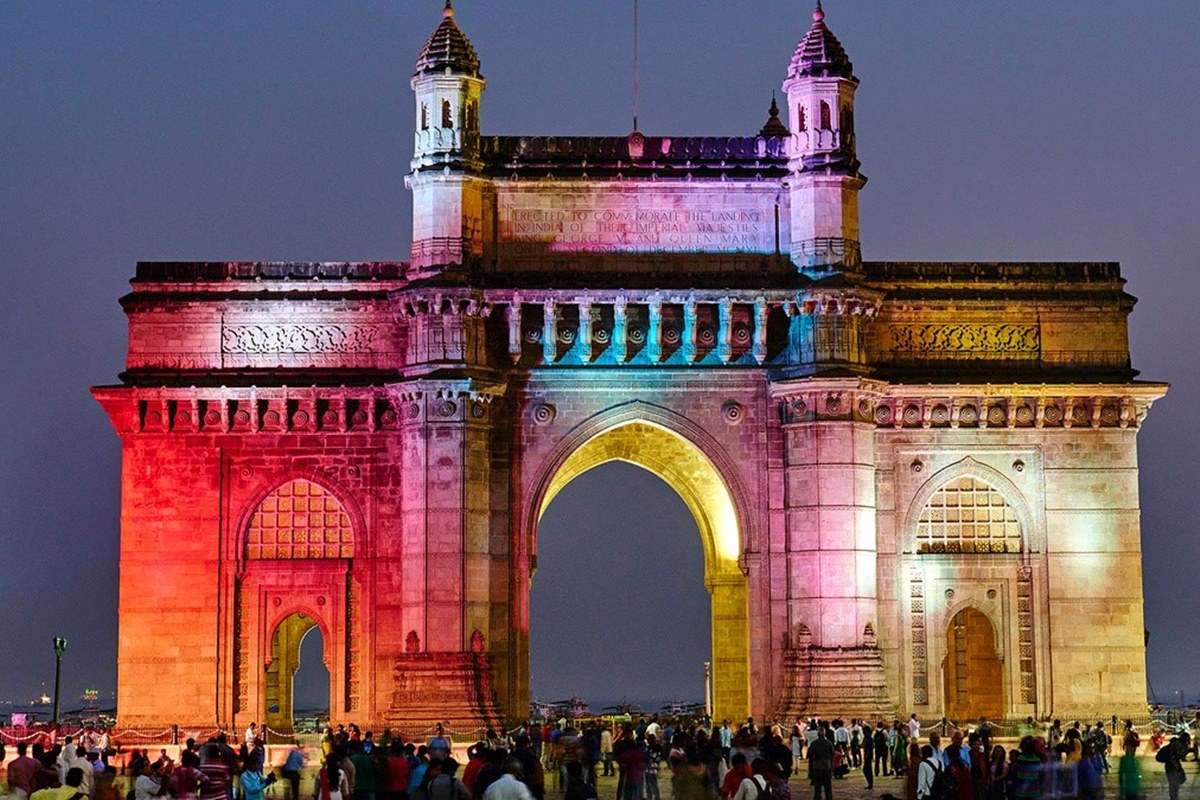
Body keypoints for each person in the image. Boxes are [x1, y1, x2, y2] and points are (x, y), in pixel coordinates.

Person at [1157, 733, 1189, 800]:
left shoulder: (1177, 743)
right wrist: (1178, 768)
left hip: (1171, 765)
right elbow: (1175, 756)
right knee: (1174, 783)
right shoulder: (1177, 744)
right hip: (1172, 766)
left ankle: (1174, 797)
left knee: (1174, 783)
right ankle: (1174, 797)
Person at [807, 729, 834, 800]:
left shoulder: (814, 743)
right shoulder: (828, 743)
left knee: (818, 784)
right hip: (826, 765)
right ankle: (829, 797)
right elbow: (832, 753)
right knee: (828, 784)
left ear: (818, 735)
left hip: (817, 765)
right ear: (824, 734)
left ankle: (817, 797)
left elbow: (810, 754)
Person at [861, 723, 874, 790]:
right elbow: (863, 745)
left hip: (867, 756)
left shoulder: (868, 738)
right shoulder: (867, 737)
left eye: (863, 730)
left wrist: (867, 755)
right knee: (867, 770)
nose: (863, 732)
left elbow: (869, 748)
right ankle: (870, 784)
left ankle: (870, 784)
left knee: (866, 770)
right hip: (867, 756)